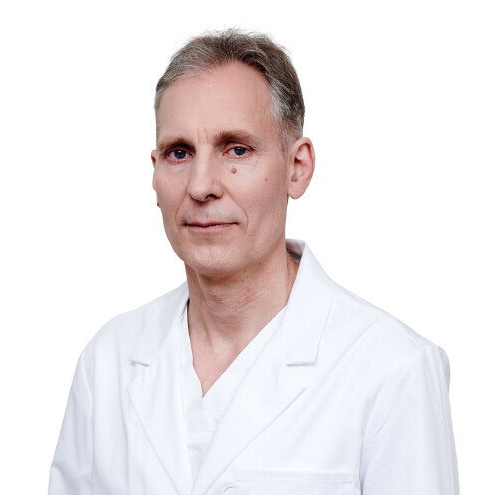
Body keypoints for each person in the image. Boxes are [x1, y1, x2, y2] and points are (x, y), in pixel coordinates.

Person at [48, 29, 459, 495]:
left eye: (237, 150)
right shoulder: (108, 361)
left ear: (297, 168)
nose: (201, 186)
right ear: (155, 172)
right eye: (179, 153)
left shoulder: (392, 367)